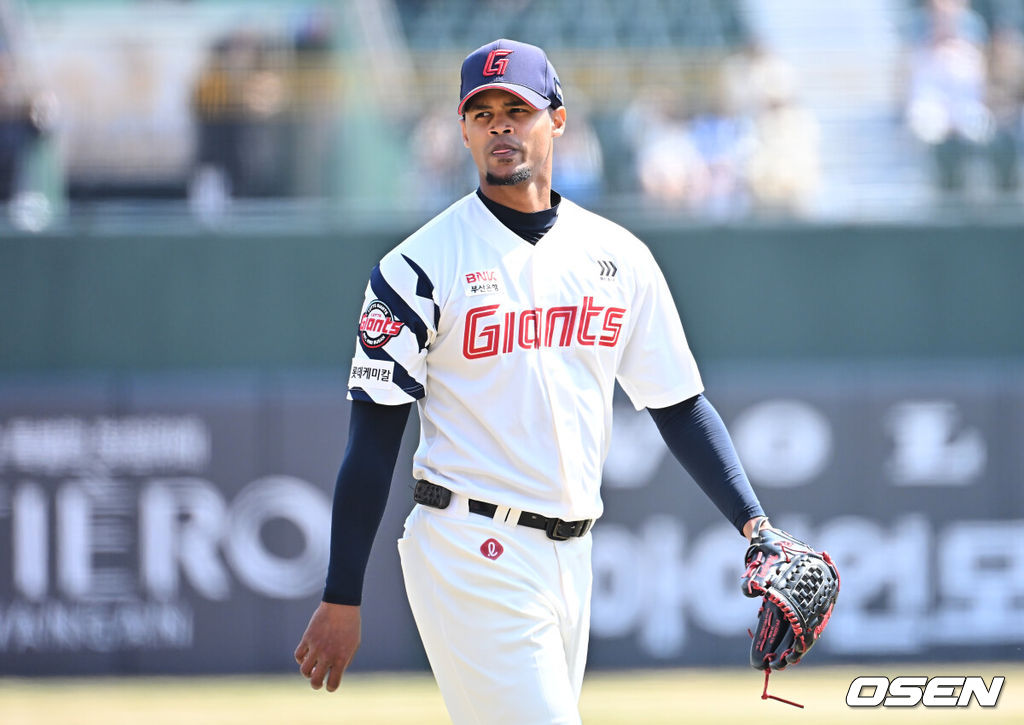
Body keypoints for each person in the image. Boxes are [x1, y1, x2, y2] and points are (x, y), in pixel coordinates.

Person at [295, 39, 778, 724]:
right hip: (470, 545)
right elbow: (372, 441)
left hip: (571, 554)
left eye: (517, 109)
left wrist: (753, 522)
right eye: (483, 112)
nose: (500, 126)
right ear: (463, 129)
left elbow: (678, 406)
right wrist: (343, 592)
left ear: (557, 119)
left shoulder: (619, 257)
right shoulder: (417, 267)